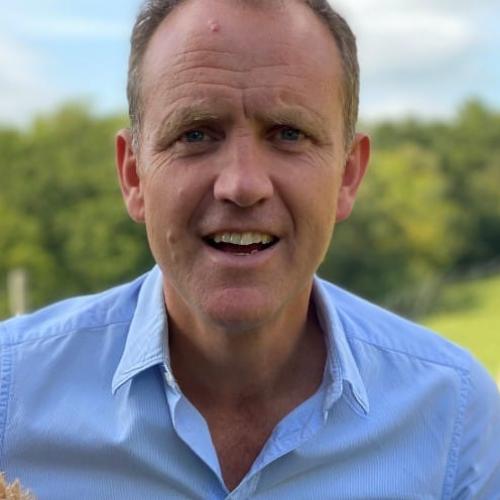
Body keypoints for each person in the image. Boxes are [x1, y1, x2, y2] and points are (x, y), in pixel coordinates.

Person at [1, 0, 498, 498]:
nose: (242, 185)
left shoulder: (454, 422)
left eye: (289, 134)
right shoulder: (11, 396)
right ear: (133, 175)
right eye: (195, 133)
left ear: (348, 175)